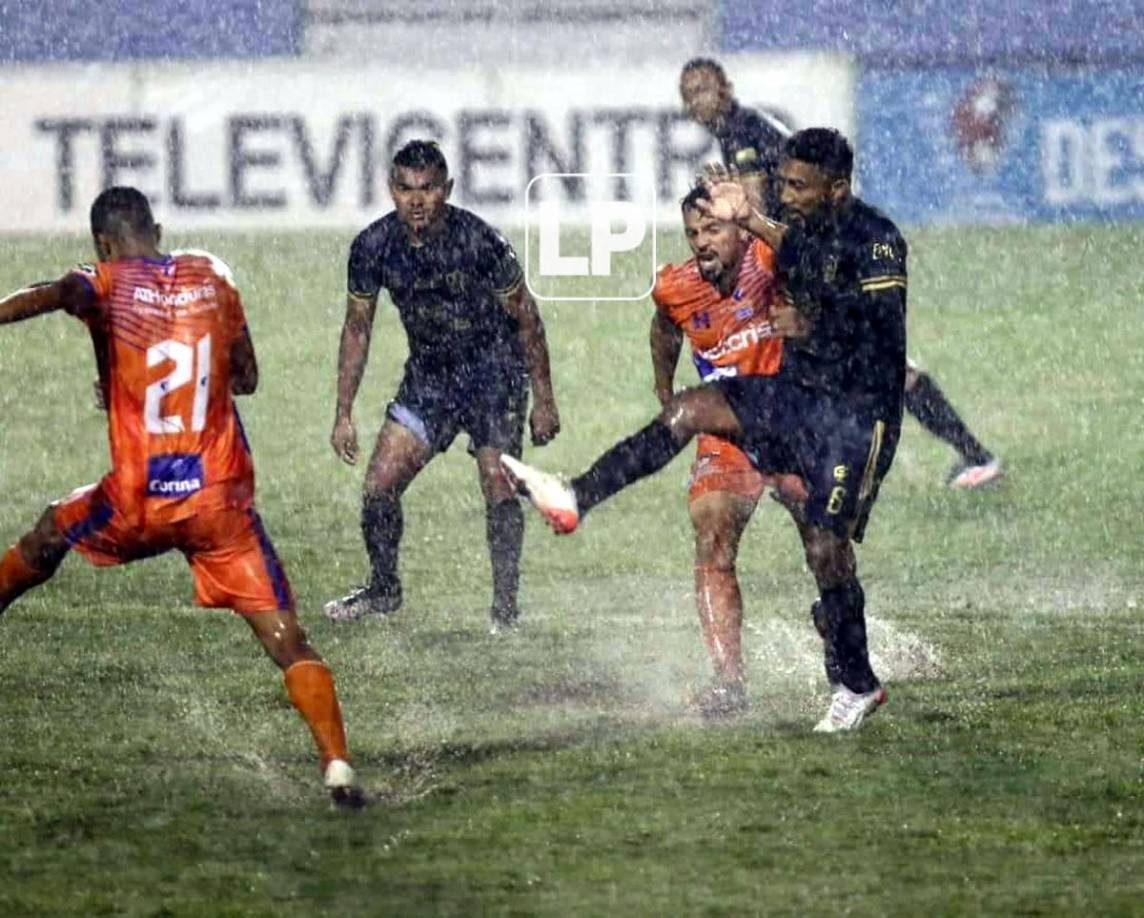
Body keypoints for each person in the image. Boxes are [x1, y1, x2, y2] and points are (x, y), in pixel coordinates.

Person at [503, 129, 903, 732]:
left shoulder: (876, 241)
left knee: (825, 547)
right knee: (688, 412)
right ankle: (575, 496)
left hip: (858, 414)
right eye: (784, 182)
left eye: (799, 185)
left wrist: (813, 320)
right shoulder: (784, 239)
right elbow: (783, 259)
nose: (788, 193)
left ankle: (856, 679)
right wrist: (747, 218)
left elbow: (878, 327)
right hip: (796, 396)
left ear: (837, 189)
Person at [0, 187, 362, 805]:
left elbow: (58, 292)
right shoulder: (211, 274)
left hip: (139, 500)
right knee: (286, 639)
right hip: (217, 501)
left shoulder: (104, 282)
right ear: (159, 230)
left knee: (49, 533)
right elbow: (245, 377)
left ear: (102, 245)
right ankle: (336, 765)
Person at [680, 57, 1002, 489]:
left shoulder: (741, 134)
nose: (697, 99)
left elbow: (755, 206)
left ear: (726, 88)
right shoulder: (743, 129)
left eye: (704, 88)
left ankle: (972, 456)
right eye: (689, 94)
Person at [325, 140, 560, 631]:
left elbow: (527, 320)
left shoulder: (480, 241)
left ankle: (504, 611)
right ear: (392, 190)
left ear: (447, 190)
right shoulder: (372, 247)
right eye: (406, 188)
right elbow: (357, 328)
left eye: (428, 188)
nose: (416, 199)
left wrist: (544, 400)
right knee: (379, 487)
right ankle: (384, 588)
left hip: (493, 373)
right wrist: (343, 412)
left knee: (498, 487)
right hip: (430, 377)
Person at [650, 185, 806, 717]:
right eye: (693, 233)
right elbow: (665, 328)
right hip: (726, 428)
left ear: (738, 229)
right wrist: (664, 389)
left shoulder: (767, 257)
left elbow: (809, 255)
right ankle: (728, 681)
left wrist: (755, 215)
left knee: (823, 541)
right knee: (712, 536)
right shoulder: (676, 286)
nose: (701, 242)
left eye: (713, 228)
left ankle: (843, 644)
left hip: (792, 421)